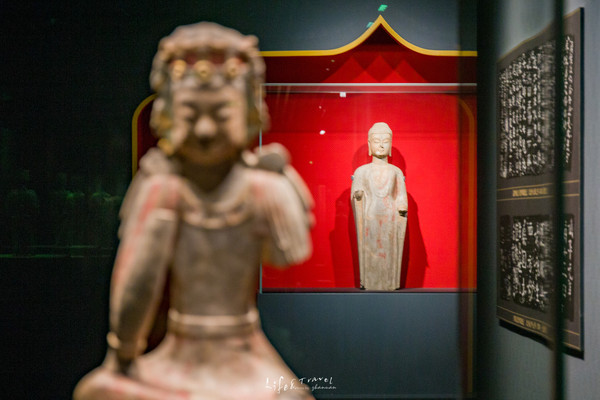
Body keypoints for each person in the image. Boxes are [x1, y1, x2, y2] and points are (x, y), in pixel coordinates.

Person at [74, 22, 314, 400]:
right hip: (179, 354)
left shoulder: (261, 189)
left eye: (221, 114)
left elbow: (288, 252)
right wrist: (123, 353)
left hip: (245, 354)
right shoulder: (163, 189)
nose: (204, 130)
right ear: (168, 116)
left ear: (249, 112)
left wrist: (122, 355)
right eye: (190, 114)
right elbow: (137, 283)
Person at [351, 122, 408, 290]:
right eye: (376, 141)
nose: (381, 145)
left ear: (390, 144)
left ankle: (389, 282)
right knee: (371, 251)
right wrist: (358, 196)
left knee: (389, 252)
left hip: (390, 217)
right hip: (370, 217)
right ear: (369, 144)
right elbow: (356, 194)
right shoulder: (361, 171)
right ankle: (369, 281)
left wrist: (402, 204)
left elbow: (401, 194)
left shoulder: (396, 171)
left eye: (385, 141)